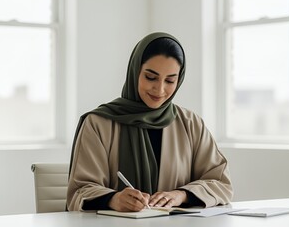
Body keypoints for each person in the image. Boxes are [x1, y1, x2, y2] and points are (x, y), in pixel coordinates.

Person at [66, 32, 233, 212]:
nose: (159, 89)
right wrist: (113, 199)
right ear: (135, 71)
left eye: (170, 80)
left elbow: (221, 184)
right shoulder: (98, 123)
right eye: (151, 77)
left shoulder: (190, 124)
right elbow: (79, 192)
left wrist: (181, 195)